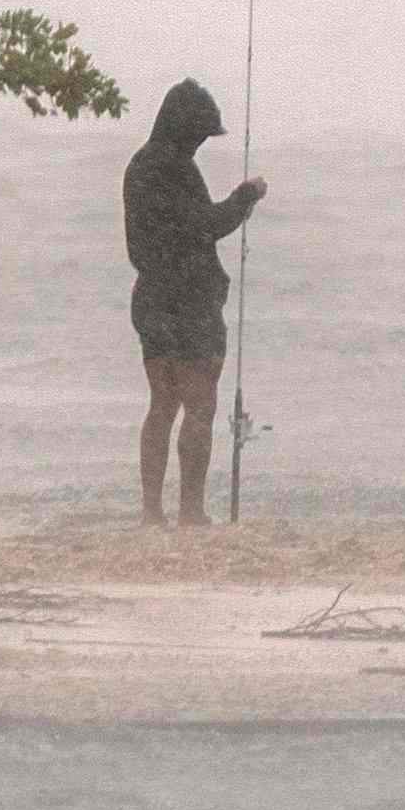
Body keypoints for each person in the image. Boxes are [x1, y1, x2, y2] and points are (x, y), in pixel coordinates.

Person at [120, 79, 265, 524]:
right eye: (200, 133)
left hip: (152, 299)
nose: (202, 142)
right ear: (185, 130)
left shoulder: (140, 165)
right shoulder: (171, 168)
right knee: (200, 406)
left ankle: (150, 512)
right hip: (189, 304)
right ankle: (191, 512)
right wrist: (246, 197)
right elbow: (206, 225)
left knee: (162, 405)